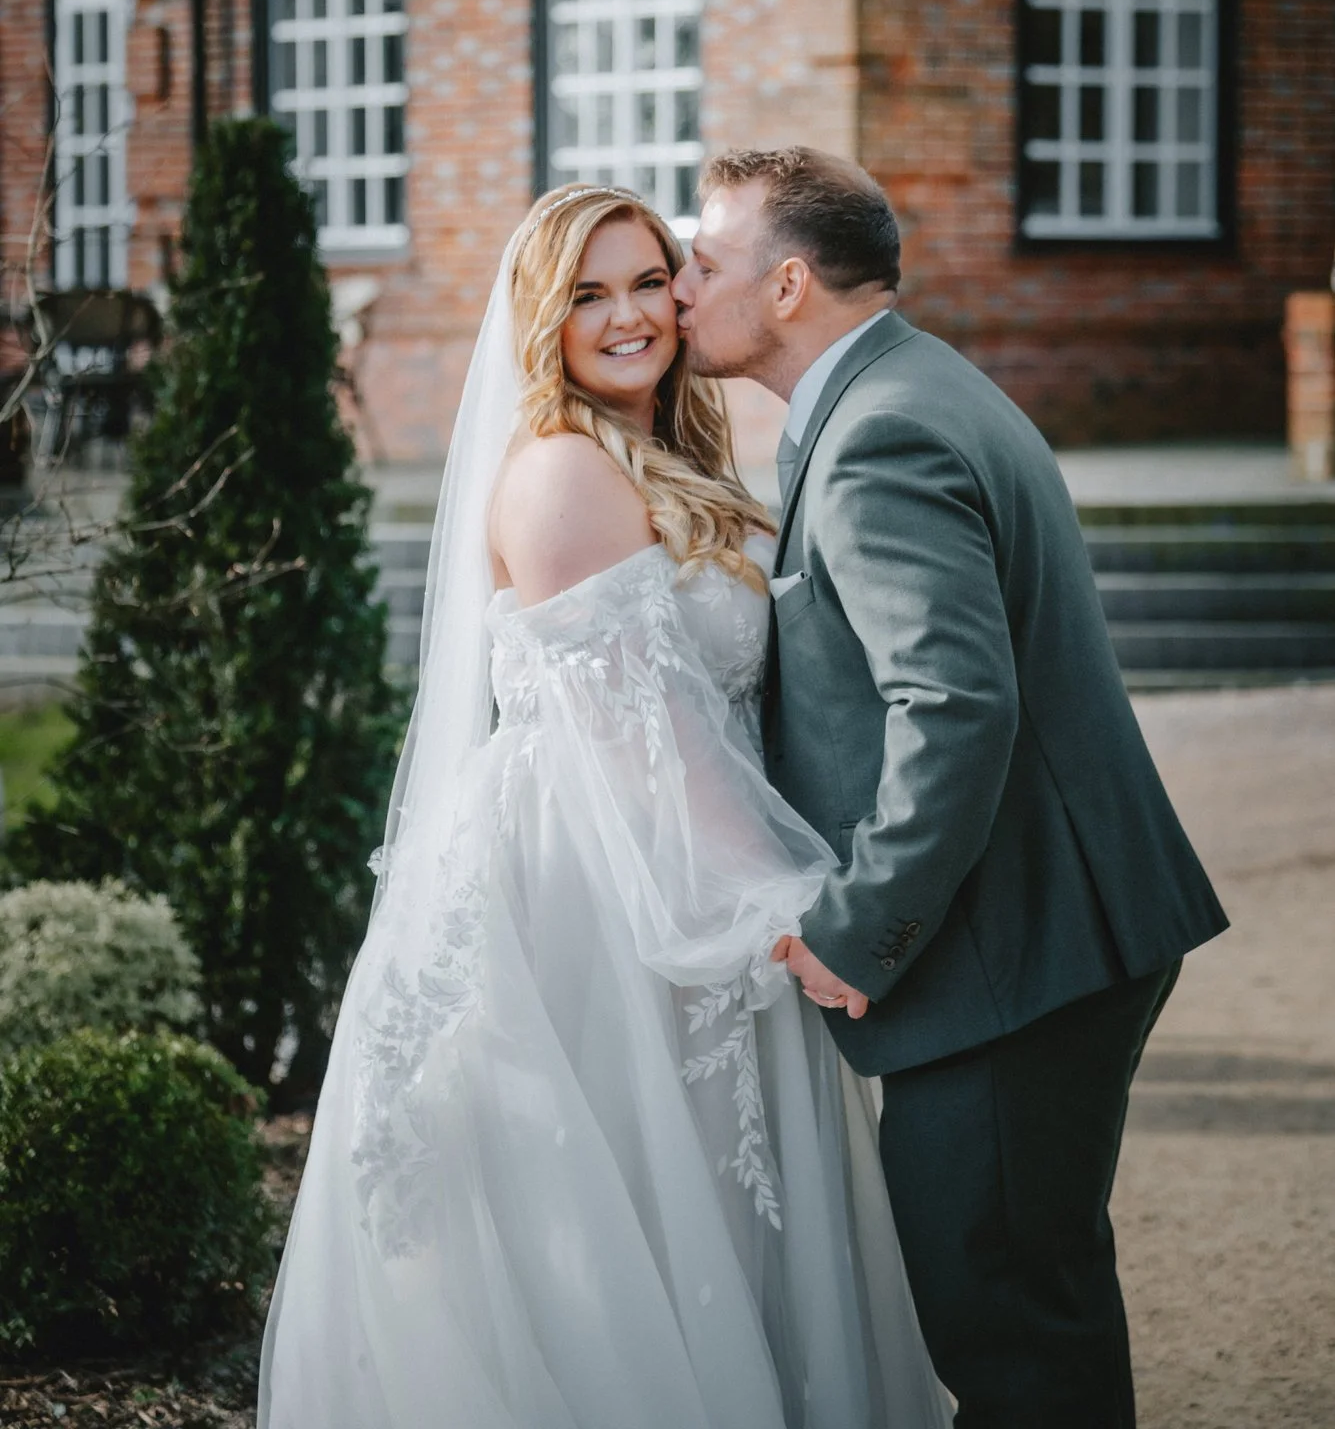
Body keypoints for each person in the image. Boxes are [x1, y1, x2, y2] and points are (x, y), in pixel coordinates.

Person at [259, 182, 952, 1429]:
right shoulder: (564, 475)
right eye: (589, 293)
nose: (630, 314)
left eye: (649, 280)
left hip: (674, 858)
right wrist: (796, 912)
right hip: (605, 893)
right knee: (620, 1226)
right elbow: (653, 749)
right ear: (543, 318)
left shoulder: (665, 451)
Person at [673, 145, 1230, 1429]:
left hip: (1009, 953)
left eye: (706, 259)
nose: (685, 283)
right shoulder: (909, 385)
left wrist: (856, 928)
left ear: (790, 281)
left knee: (1008, 1320)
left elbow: (955, 708)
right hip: (1048, 928)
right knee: (1037, 1296)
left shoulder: (881, 434)